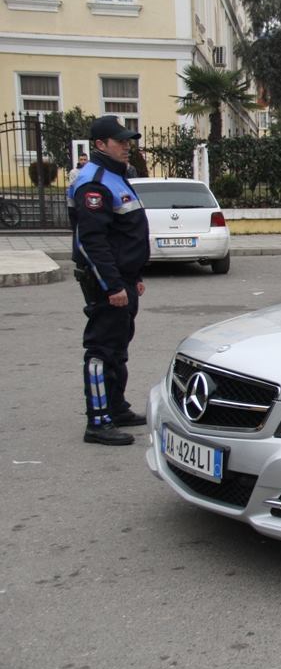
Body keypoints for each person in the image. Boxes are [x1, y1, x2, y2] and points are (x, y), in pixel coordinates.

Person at [67, 115, 150, 446]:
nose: (127, 147)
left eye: (128, 141)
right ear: (100, 145)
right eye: (121, 142)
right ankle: (98, 421)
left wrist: (134, 276)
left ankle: (116, 408)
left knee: (119, 346)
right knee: (102, 350)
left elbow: (125, 233)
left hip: (123, 279)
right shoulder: (94, 183)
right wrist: (113, 285)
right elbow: (93, 242)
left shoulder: (117, 177)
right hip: (106, 283)